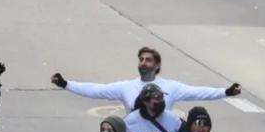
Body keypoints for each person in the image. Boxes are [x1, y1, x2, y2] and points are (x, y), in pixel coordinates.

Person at [51, 47, 241, 111]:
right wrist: (66, 84)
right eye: (141, 59)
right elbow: (96, 90)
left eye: (148, 60)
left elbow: (198, 93)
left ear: (157, 65)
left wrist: (227, 91)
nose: (143, 63)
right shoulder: (126, 87)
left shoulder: (171, 87)